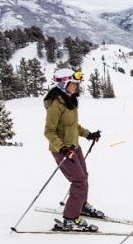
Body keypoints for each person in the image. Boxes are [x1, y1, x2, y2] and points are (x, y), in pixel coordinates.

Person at [43, 67, 103, 231]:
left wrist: (88, 134)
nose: (75, 86)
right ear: (63, 84)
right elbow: (49, 131)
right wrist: (62, 148)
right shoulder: (56, 104)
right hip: (62, 150)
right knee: (79, 181)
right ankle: (70, 218)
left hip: (74, 147)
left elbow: (73, 125)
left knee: (84, 177)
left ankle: (81, 205)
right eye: (73, 83)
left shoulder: (69, 100)